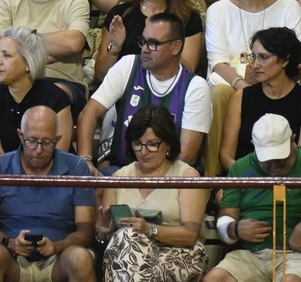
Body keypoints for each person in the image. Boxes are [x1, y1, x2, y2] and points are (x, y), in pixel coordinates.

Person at [204, 114, 301, 282]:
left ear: (293, 141)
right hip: (252, 255)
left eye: (281, 157)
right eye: (267, 158)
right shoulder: (241, 168)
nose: (274, 165)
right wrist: (236, 228)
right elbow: (226, 218)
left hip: (300, 255)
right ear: (254, 146)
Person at [0, 106, 96, 282]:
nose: (38, 150)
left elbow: (86, 231)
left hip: (59, 259)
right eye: (32, 141)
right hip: (12, 259)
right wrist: (11, 242)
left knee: (81, 258)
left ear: (58, 139)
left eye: (46, 142)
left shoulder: (77, 167)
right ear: (20, 136)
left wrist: (58, 246)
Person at [94, 106, 207, 282]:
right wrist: (104, 232)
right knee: (127, 239)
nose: (144, 151)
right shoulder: (118, 177)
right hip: (128, 257)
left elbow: (190, 236)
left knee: (128, 256)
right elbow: (105, 237)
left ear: (169, 144)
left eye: (152, 144)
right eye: (137, 143)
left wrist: (149, 230)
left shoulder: (187, 175)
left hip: (180, 255)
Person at [79, 11, 210, 170]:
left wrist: (146, 181)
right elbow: (89, 113)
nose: (145, 49)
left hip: (169, 179)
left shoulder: (195, 87)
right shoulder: (127, 65)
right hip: (122, 170)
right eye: (143, 42)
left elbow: (187, 156)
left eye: (153, 43)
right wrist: (85, 161)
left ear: (176, 47)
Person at [218, 27, 301, 173]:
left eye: (264, 57)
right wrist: (251, 179)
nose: (255, 64)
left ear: (285, 60)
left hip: (287, 182)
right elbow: (225, 156)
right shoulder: (240, 97)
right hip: (245, 180)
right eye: (254, 56)